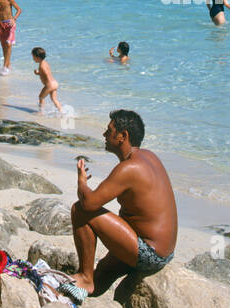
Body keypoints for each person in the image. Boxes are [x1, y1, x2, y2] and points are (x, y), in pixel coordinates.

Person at [68, 109, 178, 298]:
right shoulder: (148, 156)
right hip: (165, 252)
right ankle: (83, 290)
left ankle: (85, 277)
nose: (104, 134)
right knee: (102, 273)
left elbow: (88, 205)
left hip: (150, 252)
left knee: (79, 210)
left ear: (122, 136)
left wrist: (82, 182)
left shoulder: (129, 168)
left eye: (109, 130)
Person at [32, 46, 63, 115]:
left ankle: (41, 112)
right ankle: (61, 112)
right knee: (54, 99)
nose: (33, 59)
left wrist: (40, 73)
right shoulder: (45, 63)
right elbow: (46, 72)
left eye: (33, 57)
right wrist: (38, 73)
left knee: (41, 97)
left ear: (38, 57)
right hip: (55, 83)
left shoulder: (41, 66)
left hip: (50, 84)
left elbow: (45, 74)